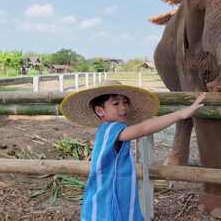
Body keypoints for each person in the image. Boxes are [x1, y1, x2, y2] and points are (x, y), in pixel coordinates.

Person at [60, 80, 206, 221]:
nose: (123, 108)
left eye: (125, 102)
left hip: (110, 193)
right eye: (116, 103)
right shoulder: (112, 129)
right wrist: (181, 114)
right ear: (100, 111)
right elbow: (144, 128)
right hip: (109, 197)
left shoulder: (106, 130)